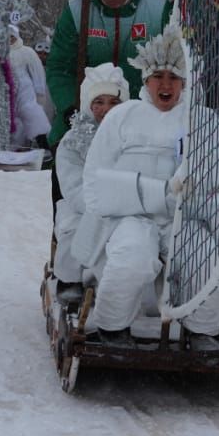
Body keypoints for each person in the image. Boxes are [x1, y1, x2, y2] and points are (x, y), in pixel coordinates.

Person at [74, 23, 219, 350]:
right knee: (131, 258)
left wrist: (196, 195)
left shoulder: (202, 121)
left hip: (184, 219)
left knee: (206, 264)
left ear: (185, 82)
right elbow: (96, 179)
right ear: (145, 80)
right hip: (133, 217)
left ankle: (204, 330)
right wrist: (151, 194)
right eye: (158, 76)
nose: (166, 85)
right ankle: (113, 328)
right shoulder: (123, 117)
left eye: (173, 78)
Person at [45, 0, 173, 147]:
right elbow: (59, 67)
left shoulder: (159, 11)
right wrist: (70, 106)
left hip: (141, 116)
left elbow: (174, 63)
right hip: (84, 116)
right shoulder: (78, 12)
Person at [51, 62, 128, 304]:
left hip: (123, 205)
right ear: (88, 104)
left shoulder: (131, 137)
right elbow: (72, 183)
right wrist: (96, 206)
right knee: (74, 228)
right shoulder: (72, 141)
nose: (106, 109)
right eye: (99, 102)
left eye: (113, 103)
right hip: (82, 205)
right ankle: (69, 279)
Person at [7, 25, 52, 146]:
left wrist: (40, 92)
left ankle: (43, 145)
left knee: (32, 115)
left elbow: (37, 71)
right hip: (5, 92)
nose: (10, 39)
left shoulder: (27, 51)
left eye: (12, 36)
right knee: (8, 119)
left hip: (24, 89)